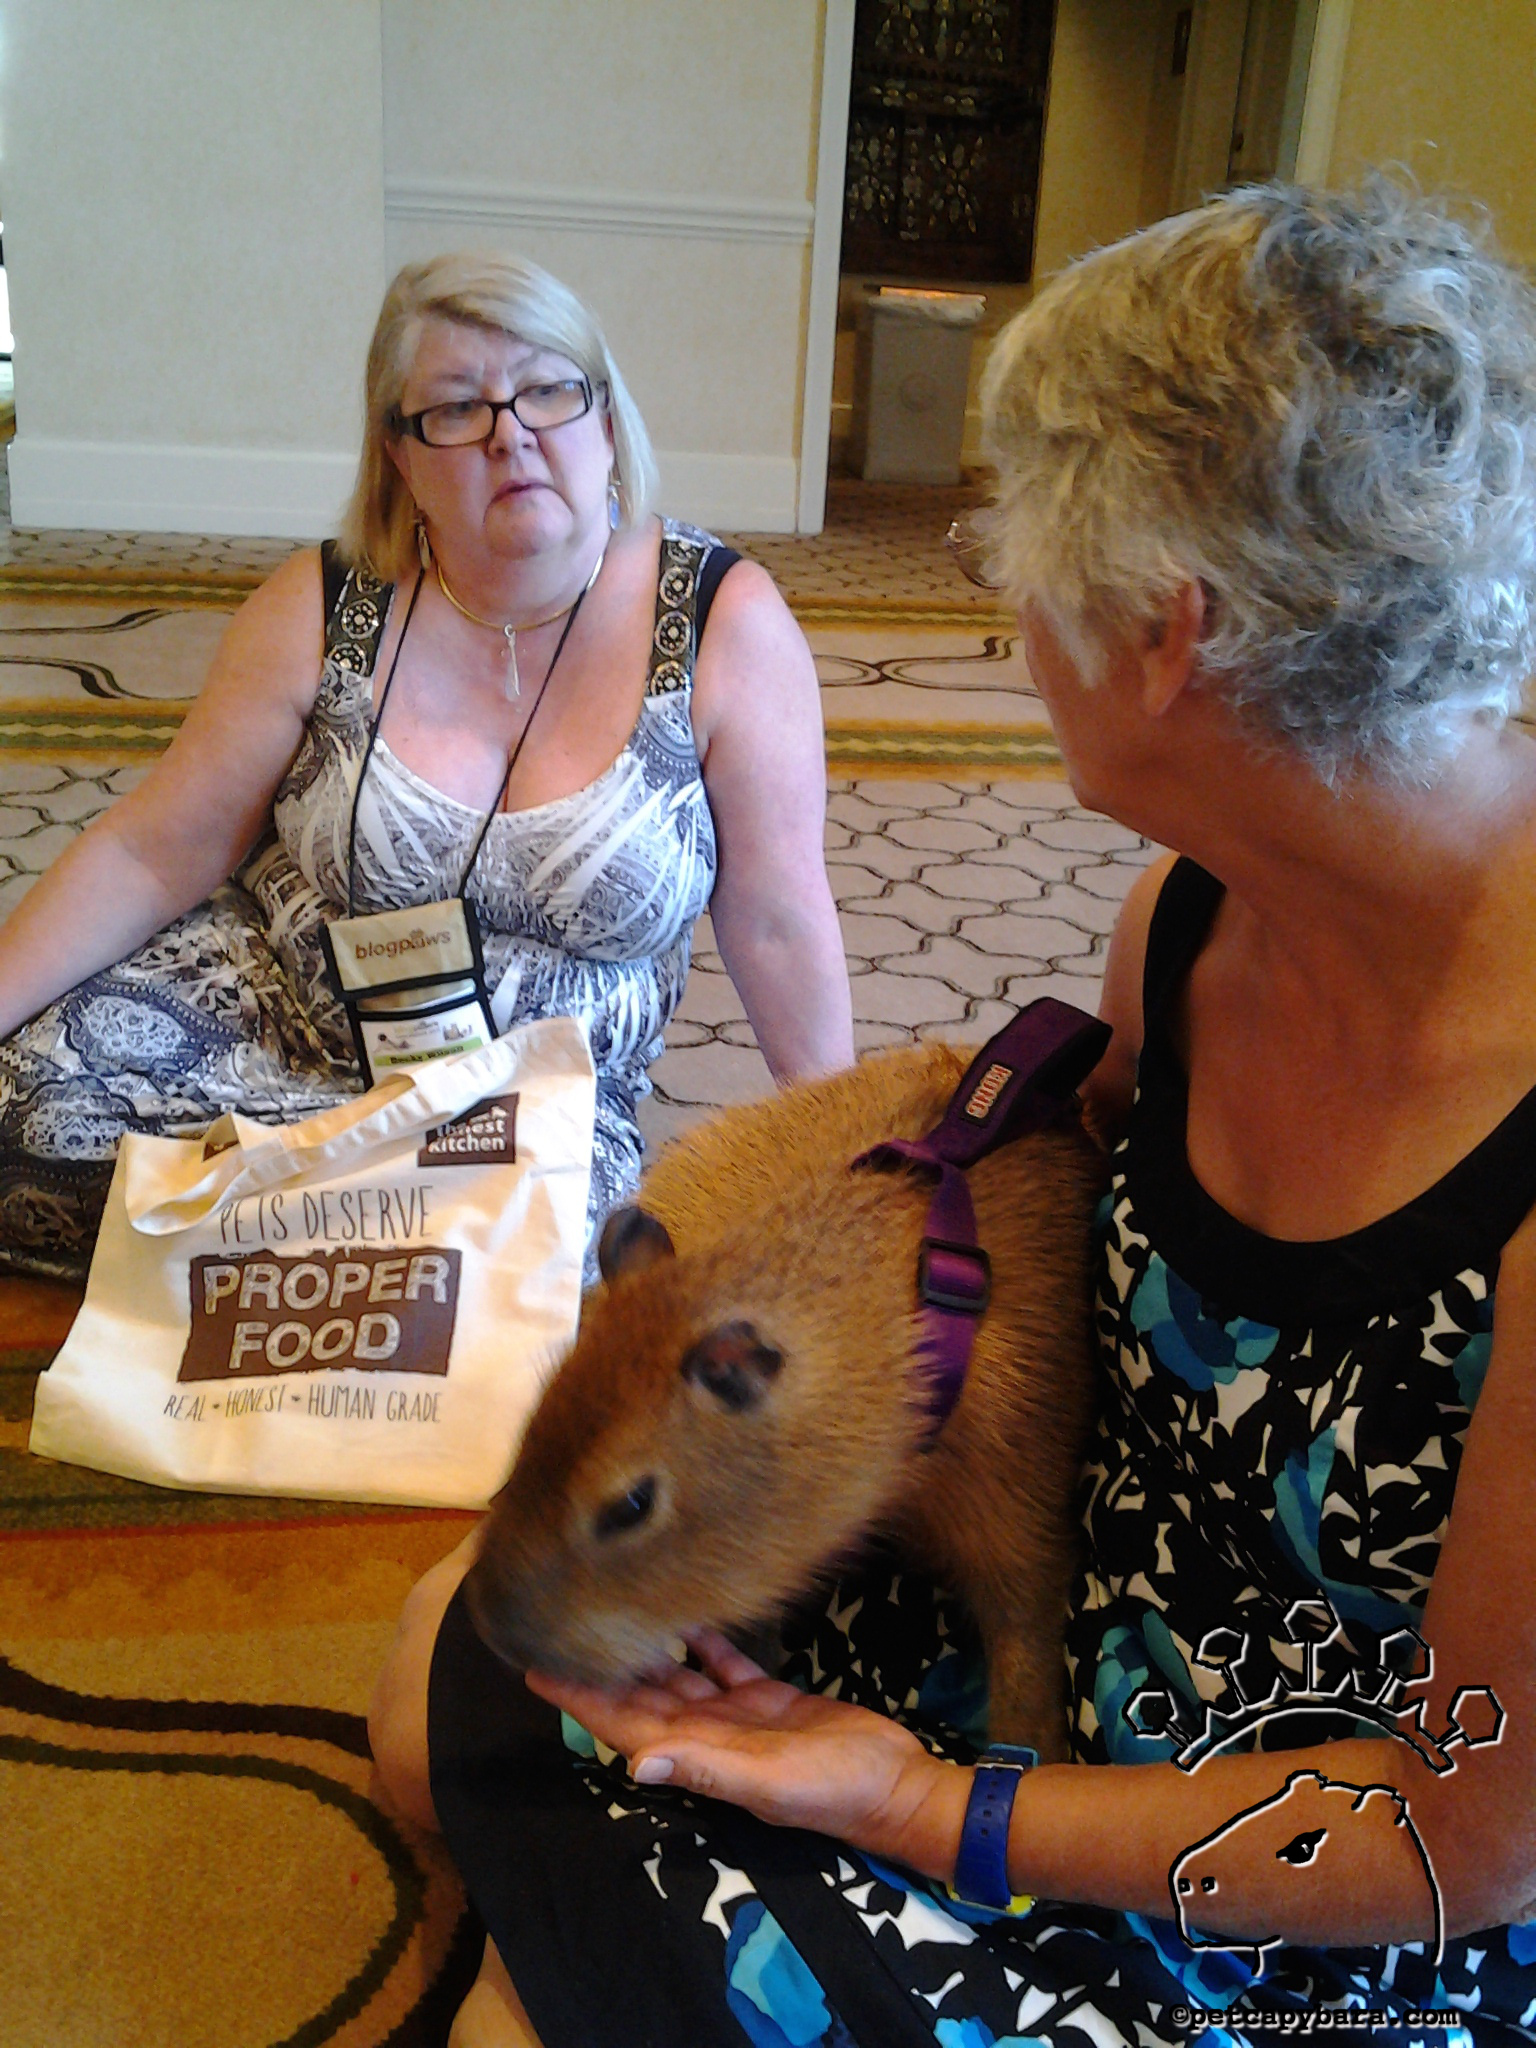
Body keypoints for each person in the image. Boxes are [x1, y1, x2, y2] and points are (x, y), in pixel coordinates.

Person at [369, 182, 1536, 2045]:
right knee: (451, 1674)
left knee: (583, 1985)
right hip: (1083, 1587)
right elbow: (1016, 1205)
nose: (998, 607)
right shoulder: (1189, 913)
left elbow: (1469, 1834)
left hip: (1311, 1854)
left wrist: (929, 1807)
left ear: (1166, 631)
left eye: (1017, 552)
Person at [0, 254, 853, 1277]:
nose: (512, 435)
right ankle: (290, 1243)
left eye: (548, 390)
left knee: (500, 1261)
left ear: (606, 417)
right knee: (27, 1125)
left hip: (525, 1109)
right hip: (271, 1020)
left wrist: (846, 1167)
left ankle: (265, 1247)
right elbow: (154, 851)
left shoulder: (723, 624)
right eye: (457, 409)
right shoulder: (326, 604)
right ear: (399, 456)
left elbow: (776, 916)